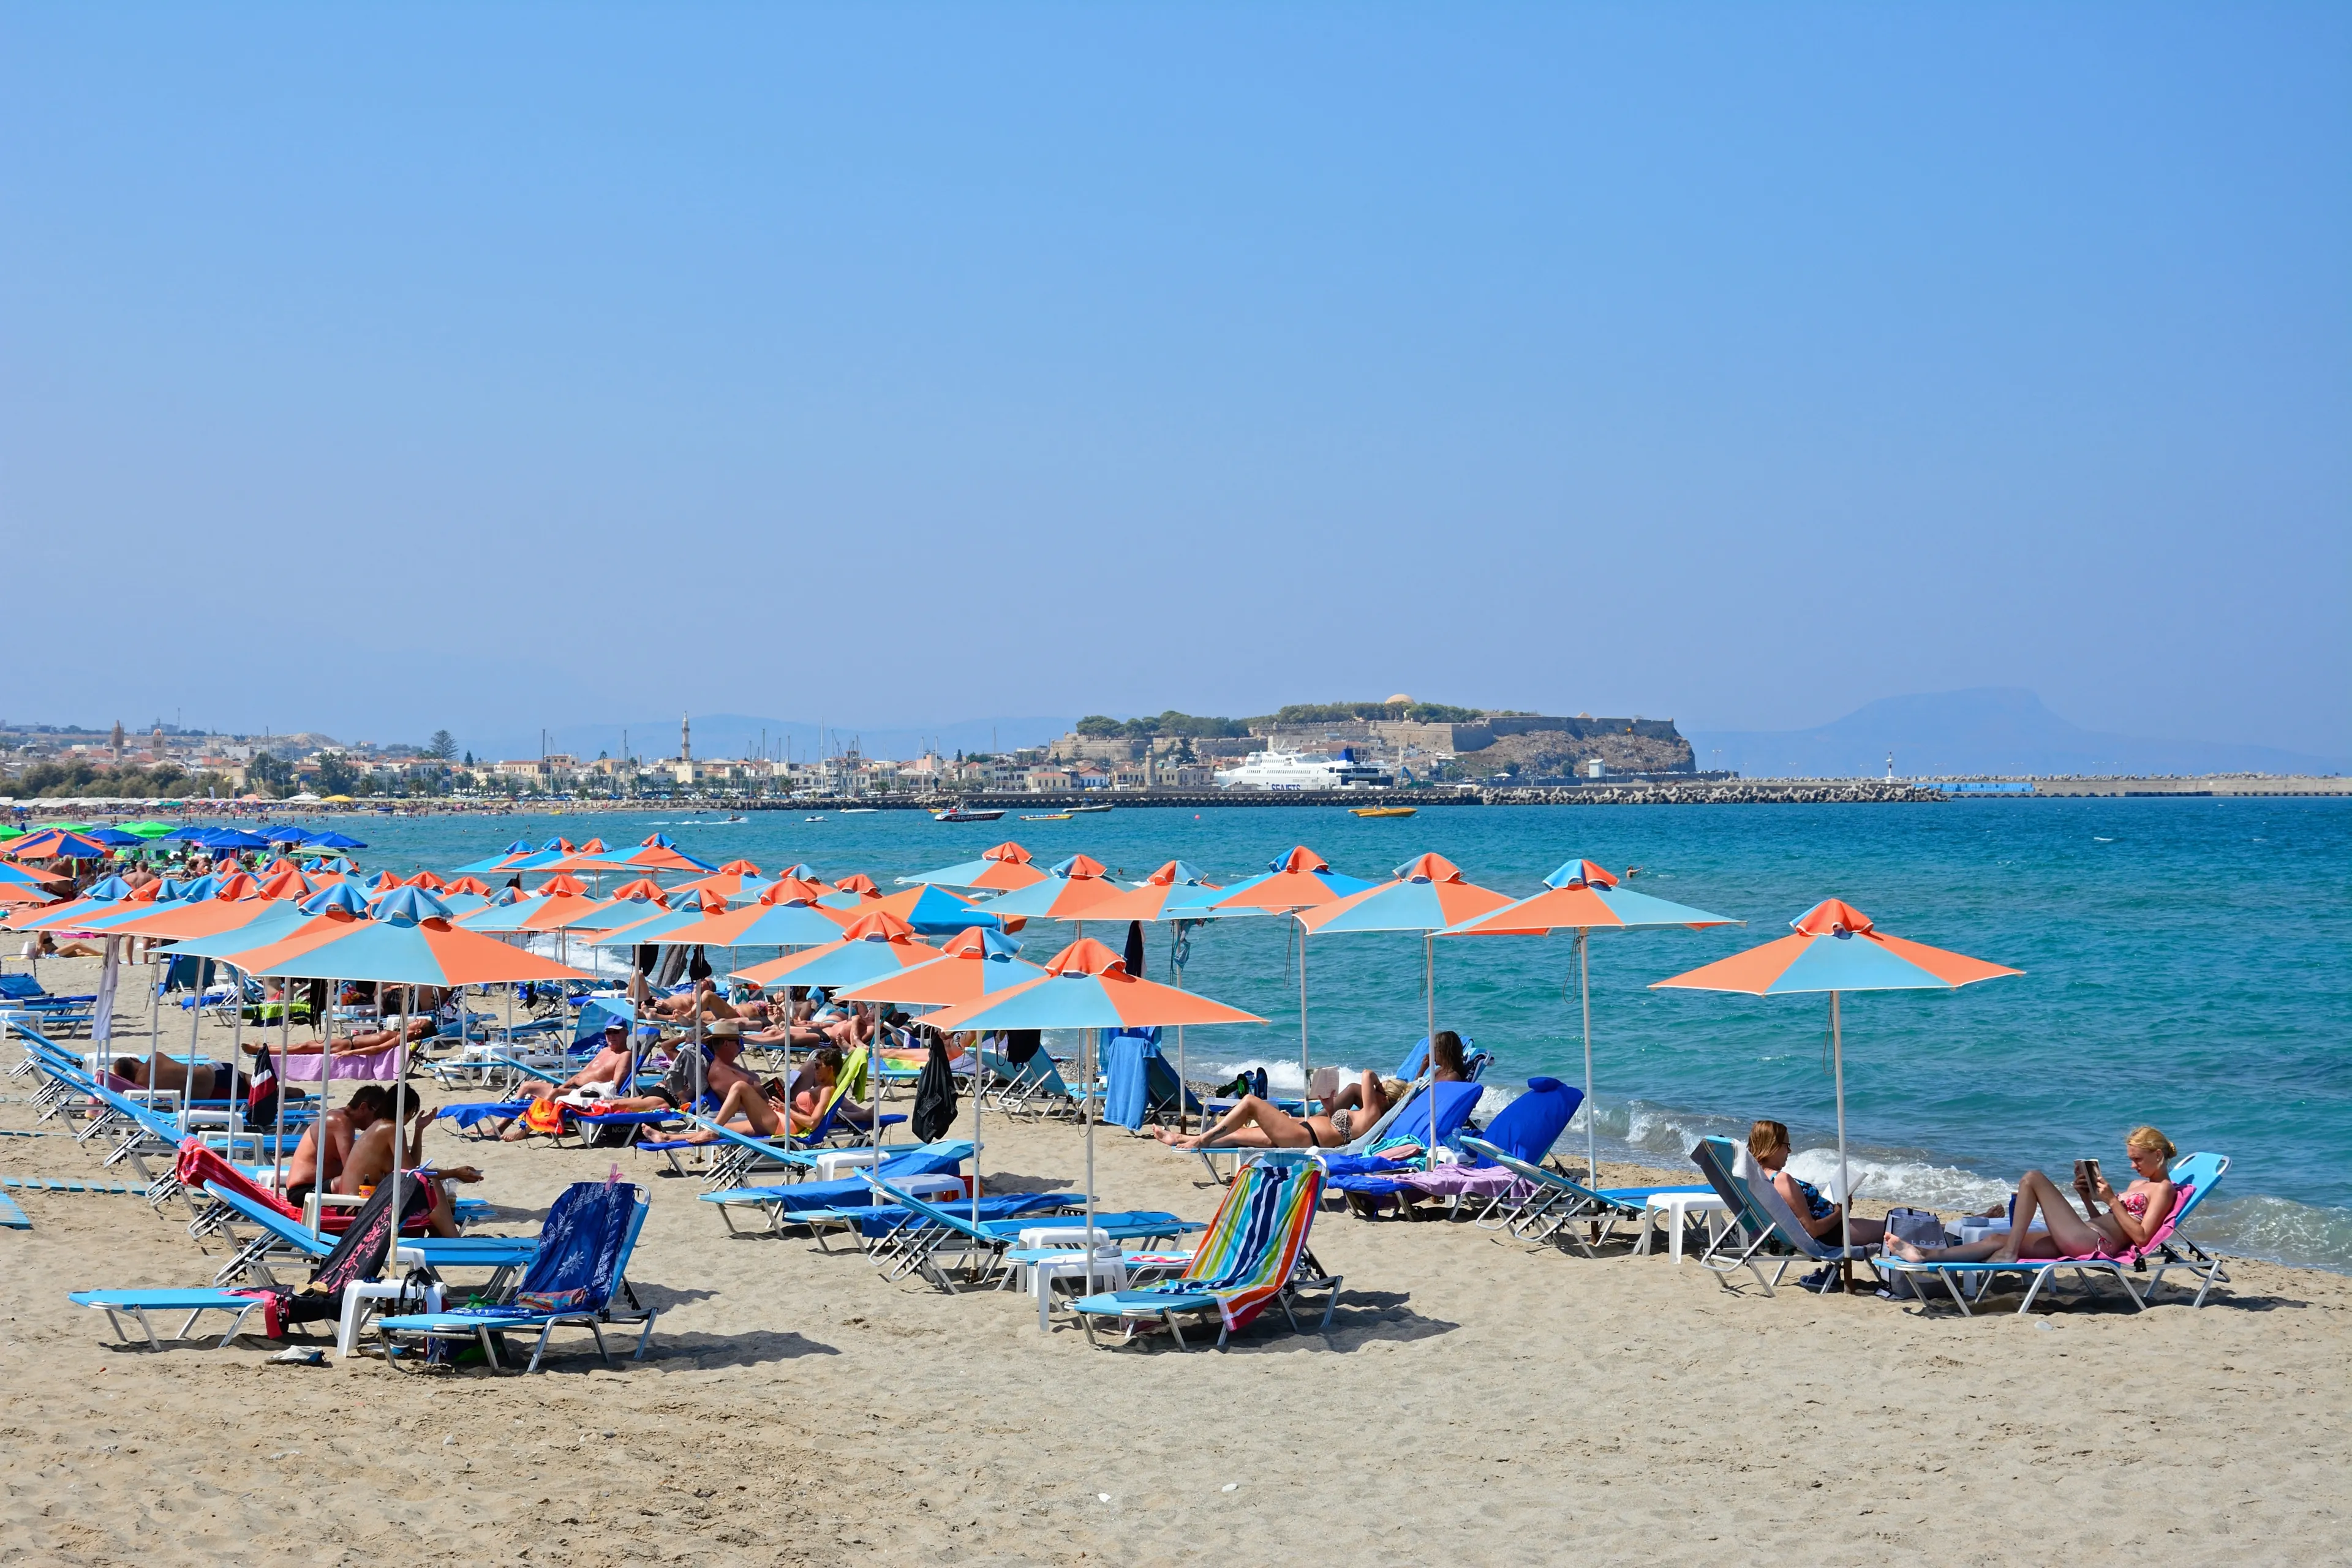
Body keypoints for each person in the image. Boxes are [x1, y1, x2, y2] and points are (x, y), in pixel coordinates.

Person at [1887, 1126, 2180, 1266]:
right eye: (2131, 1159)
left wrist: (2113, 1201)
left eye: (2138, 1159)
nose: (2133, 1166)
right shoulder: (2135, 1183)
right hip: (2086, 1232)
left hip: (2094, 1243)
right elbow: (2107, 1220)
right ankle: (1926, 1255)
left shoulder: (2163, 1189)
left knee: (2032, 1178)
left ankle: (2012, 1252)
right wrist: (2089, 1197)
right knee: (1996, 1241)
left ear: (2158, 1155)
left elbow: (2141, 1238)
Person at [337, 1093, 482, 1237]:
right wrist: (454, 1173)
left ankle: (444, 1239)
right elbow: (413, 1174)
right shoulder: (391, 1128)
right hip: (358, 1207)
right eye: (412, 1112)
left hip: (355, 1203)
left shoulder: (381, 1125)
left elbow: (412, 1169)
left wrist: (419, 1129)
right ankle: (453, 1239)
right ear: (406, 1109)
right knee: (432, 1185)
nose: (411, 1116)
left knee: (426, 1188)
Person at [1152, 1071, 1403, 1151]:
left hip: (1303, 1139)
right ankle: (1184, 1138)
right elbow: (1331, 1120)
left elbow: (1367, 1075)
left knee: (1250, 1101)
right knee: (1237, 1136)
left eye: (1379, 1092)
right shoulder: (1366, 1114)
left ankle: (1203, 1137)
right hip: (1301, 1130)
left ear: (1383, 1097)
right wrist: (1325, 1107)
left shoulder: (1372, 1115)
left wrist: (1379, 1086)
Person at [1746, 1120, 1886, 1246]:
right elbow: (1812, 1230)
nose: (1789, 1150)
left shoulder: (1756, 1178)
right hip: (1832, 1234)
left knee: (1889, 1224)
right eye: (1786, 1145)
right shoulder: (1781, 1180)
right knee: (1894, 1229)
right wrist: (1841, 1212)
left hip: (1830, 1229)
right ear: (1772, 1147)